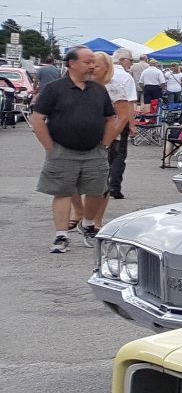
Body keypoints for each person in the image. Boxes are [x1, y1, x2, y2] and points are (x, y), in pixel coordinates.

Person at [31, 48, 118, 253]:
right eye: (88, 62)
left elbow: (110, 119)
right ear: (71, 63)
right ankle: (61, 236)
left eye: (94, 63)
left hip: (94, 151)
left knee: (97, 190)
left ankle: (88, 225)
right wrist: (50, 147)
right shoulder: (55, 89)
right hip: (62, 150)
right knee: (63, 192)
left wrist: (104, 144)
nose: (92, 66)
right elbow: (37, 119)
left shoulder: (98, 90)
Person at [105, 51, 138, 200]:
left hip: (102, 119)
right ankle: (115, 186)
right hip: (120, 118)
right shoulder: (125, 77)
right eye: (130, 60)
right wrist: (132, 124)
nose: (131, 63)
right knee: (119, 153)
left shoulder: (103, 74)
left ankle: (102, 184)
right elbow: (129, 102)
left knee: (103, 151)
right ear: (122, 60)